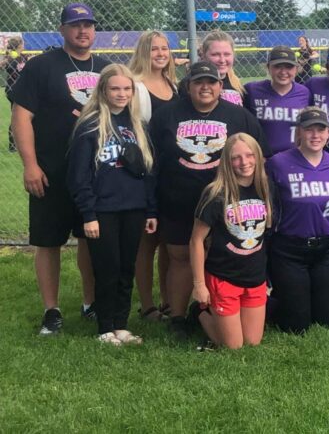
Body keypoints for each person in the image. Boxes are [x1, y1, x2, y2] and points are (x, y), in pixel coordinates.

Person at [149, 60, 268, 339]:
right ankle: (178, 316)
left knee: (222, 257)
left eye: (211, 82)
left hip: (229, 205)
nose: (205, 87)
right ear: (188, 86)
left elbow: (261, 156)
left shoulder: (239, 116)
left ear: (220, 85)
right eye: (198, 82)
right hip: (178, 200)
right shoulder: (167, 115)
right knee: (180, 258)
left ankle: (215, 310)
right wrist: (152, 205)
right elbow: (152, 163)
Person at [12, 2, 111, 335]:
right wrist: (30, 164)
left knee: (90, 238)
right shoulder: (42, 66)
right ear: (62, 29)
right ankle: (51, 310)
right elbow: (21, 116)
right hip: (51, 169)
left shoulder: (106, 67)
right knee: (48, 240)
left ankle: (90, 302)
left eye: (88, 24)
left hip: (95, 172)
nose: (83, 31)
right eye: (75, 25)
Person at [67, 64, 157, 345]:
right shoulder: (90, 125)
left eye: (127, 89)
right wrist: (88, 213)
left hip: (133, 207)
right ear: (103, 90)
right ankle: (104, 326)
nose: (121, 94)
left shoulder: (138, 125)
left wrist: (151, 209)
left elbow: (149, 172)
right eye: (115, 88)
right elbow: (78, 175)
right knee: (107, 267)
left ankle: (121, 324)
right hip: (102, 210)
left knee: (126, 267)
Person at [190, 133, 273, 350]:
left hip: (254, 276)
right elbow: (196, 241)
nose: (244, 163)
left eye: (249, 155)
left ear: (257, 156)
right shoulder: (216, 193)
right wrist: (199, 285)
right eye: (236, 158)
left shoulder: (265, 187)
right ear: (227, 161)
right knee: (233, 347)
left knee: (252, 343)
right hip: (224, 277)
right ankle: (199, 312)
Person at [266, 107, 329, 334]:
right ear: (299, 132)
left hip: (326, 247)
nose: (315, 135)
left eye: (321, 129)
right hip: (290, 248)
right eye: (309, 129)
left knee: (328, 320)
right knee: (295, 326)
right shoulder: (278, 162)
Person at [127, 30, 178, 321]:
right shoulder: (136, 85)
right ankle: (147, 305)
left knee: (169, 240)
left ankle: (169, 300)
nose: (160, 53)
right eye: (154, 49)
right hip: (146, 171)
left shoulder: (173, 83)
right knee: (147, 242)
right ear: (143, 52)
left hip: (170, 172)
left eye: (164, 48)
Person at [244, 45, 312, 156]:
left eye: (288, 67)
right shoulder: (252, 90)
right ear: (268, 67)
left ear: (296, 69)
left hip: (295, 158)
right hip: (262, 157)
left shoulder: (305, 93)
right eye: (277, 66)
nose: (283, 72)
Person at [181, 30, 245, 106]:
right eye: (215, 54)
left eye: (227, 54)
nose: (222, 60)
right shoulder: (191, 84)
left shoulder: (236, 83)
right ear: (203, 56)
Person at [4, 36, 26, 152]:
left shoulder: (22, 57)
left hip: (21, 90)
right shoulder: (12, 58)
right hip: (13, 90)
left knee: (22, 116)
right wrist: (8, 58)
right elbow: (7, 67)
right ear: (19, 45)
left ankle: (17, 144)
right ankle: (13, 146)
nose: (24, 46)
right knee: (17, 117)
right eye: (22, 44)